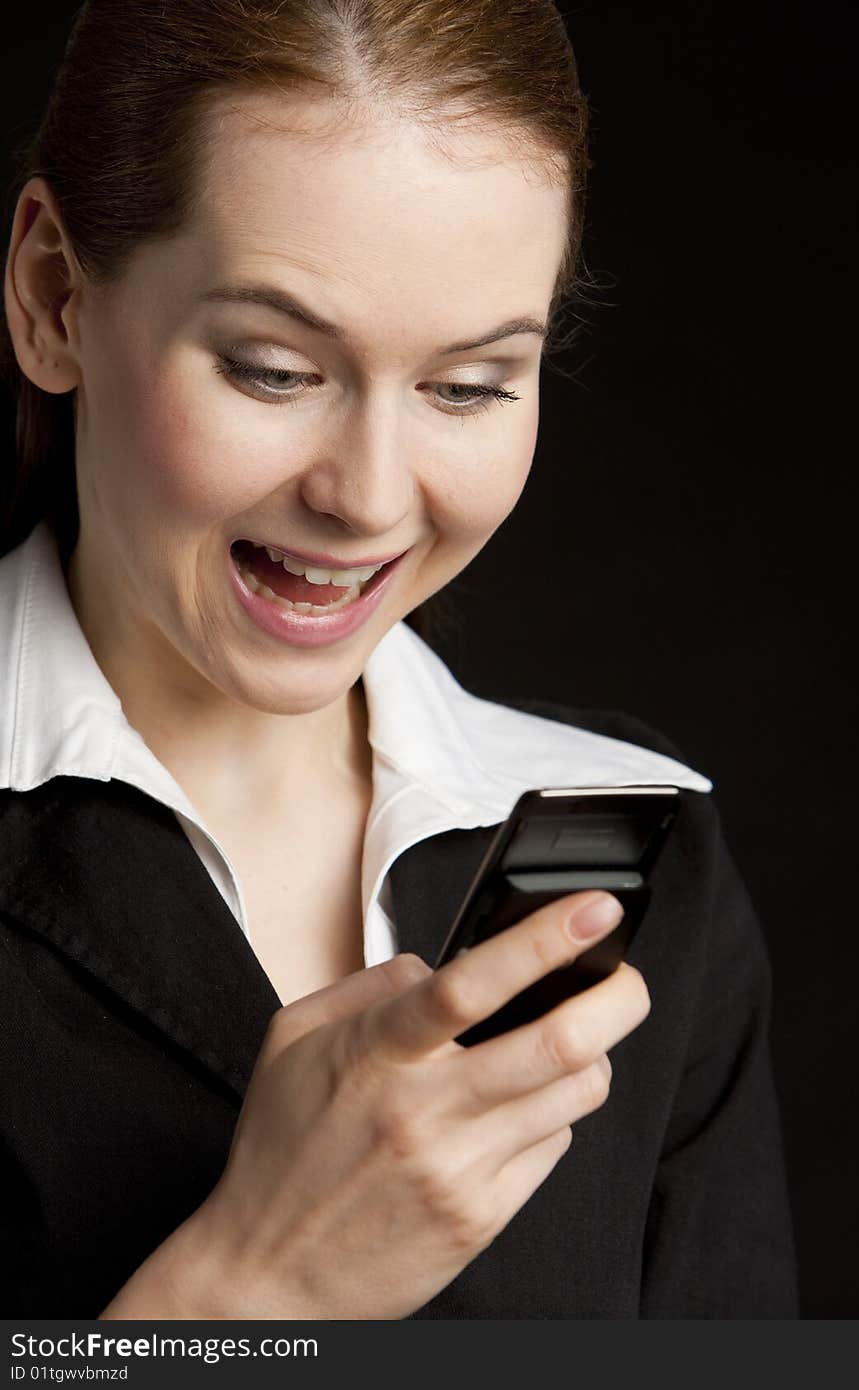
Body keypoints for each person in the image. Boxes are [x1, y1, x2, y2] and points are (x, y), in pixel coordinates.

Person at [0, 0, 799, 1319]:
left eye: (471, 386)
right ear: (53, 298)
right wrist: (252, 1283)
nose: (370, 497)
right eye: (271, 368)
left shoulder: (650, 863)